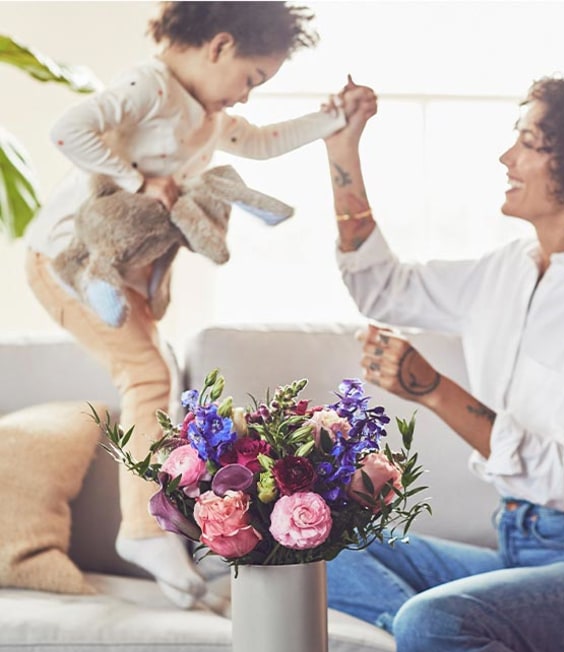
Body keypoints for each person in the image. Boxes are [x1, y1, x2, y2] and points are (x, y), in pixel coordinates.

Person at [323, 75, 564, 652]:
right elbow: (380, 287)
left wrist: (434, 391)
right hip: (519, 553)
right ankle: (451, 644)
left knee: (433, 622)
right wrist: (343, 152)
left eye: (528, 143)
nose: (506, 158)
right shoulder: (508, 269)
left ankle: (441, 639)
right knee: (319, 547)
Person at [24, 1, 364, 609]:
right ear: (219, 46)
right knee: (148, 375)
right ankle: (139, 531)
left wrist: (330, 119)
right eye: (251, 79)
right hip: (69, 264)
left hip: (126, 276)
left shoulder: (208, 115)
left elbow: (262, 144)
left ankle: (154, 531)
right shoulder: (148, 85)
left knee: (156, 374)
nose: (245, 99)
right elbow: (67, 130)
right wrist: (138, 181)